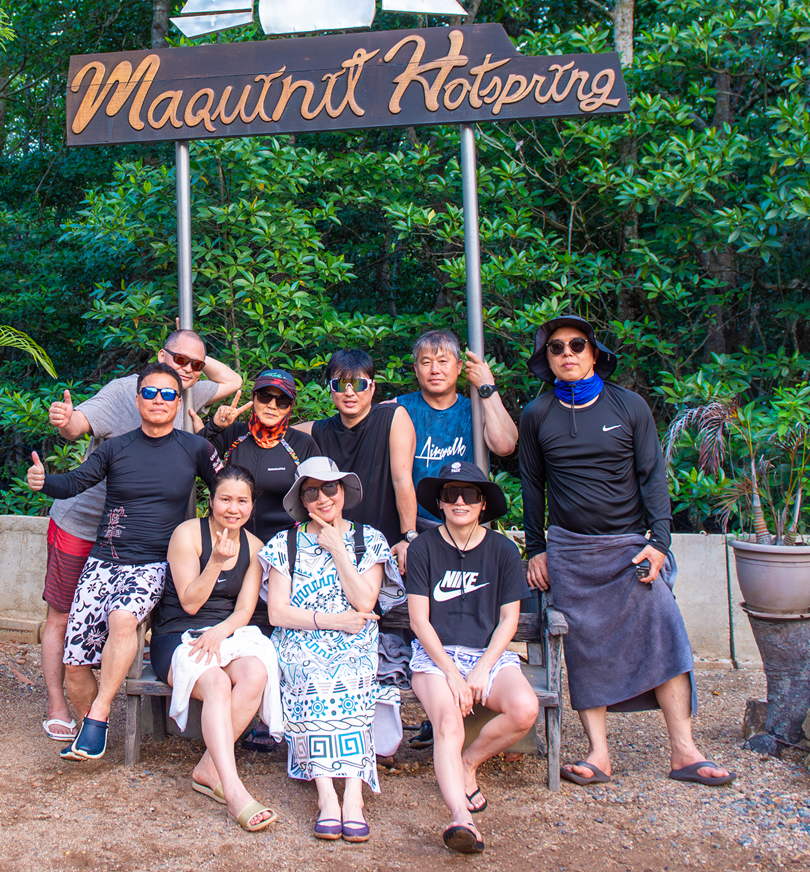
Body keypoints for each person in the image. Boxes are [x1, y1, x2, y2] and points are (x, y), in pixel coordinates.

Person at [517, 313, 733, 788]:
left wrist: (659, 542)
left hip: (630, 548)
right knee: (584, 646)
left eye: (577, 345)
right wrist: (537, 549)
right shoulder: (537, 414)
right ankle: (599, 754)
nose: (567, 354)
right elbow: (533, 486)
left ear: (594, 353)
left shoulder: (629, 405)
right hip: (571, 551)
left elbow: (653, 477)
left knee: (665, 628)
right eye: (556, 347)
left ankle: (684, 750)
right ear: (546, 358)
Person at [37, 329, 241, 741]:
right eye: (178, 360)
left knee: (125, 618)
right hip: (85, 523)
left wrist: (187, 360)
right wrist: (64, 423)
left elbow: (233, 381)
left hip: (148, 545)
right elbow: (76, 428)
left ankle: (99, 716)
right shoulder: (123, 393)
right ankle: (61, 706)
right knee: (62, 616)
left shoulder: (185, 395)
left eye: (196, 365)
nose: (186, 370)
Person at [405, 459, 540, 854]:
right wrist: (452, 673)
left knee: (525, 710)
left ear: (483, 503)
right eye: (451, 494)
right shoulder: (424, 547)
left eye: (469, 494)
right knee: (449, 725)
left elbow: (509, 619)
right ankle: (460, 817)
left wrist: (481, 668)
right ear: (440, 503)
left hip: (487, 654)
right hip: (436, 656)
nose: (459, 501)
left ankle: (468, 764)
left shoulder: (503, 550)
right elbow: (418, 620)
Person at [261, 456, 392, 843]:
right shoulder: (284, 543)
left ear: (343, 490)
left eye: (329, 488)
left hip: (356, 641)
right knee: (311, 675)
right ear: (302, 501)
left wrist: (337, 548)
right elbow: (278, 612)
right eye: (311, 492)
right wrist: (333, 621)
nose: (322, 498)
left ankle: (353, 796)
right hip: (302, 638)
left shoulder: (369, 540)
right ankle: (326, 796)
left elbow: (365, 602)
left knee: (351, 675)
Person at [155, 466, 281, 832]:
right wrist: (215, 562)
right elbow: (190, 602)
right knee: (217, 683)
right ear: (211, 501)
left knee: (256, 672)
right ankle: (234, 789)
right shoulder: (188, 534)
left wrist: (220, 632)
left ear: (252, 504)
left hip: (225, 633)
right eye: (225, 499)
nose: (233, 508)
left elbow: (244, 610)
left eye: (242, 501)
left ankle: (210, 767)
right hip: (177, 633)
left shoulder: (255, 547)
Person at [294, 349, 419, 573]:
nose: (349, 393)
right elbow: (276, 434)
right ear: (331, 389)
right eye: (341, 385)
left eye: (359, 384)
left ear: (372, 387)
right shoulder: (318, 431)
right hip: (331, 550)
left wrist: (408, 536)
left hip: (384, 546)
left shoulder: (391, 417)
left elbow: (402, 479)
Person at [394, 329, 519, 501]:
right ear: (416, 369)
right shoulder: (397, 408)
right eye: (426, 362)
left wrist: (487, 386)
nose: (435, 370)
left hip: (464, 510)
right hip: (413, 516)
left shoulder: (475, 411)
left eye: (443, 361)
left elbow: (505, 446)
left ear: (459, 366)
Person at [203, 369, 318, 545]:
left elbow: (320, 496)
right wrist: (214, 427)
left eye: (282, 401)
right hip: (229, 543)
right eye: (265, 396)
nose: (272, 405)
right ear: (253, 397)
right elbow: (191, 457)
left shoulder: (302, 444)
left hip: (284, 547)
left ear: (291, 406)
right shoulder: (231, 433)